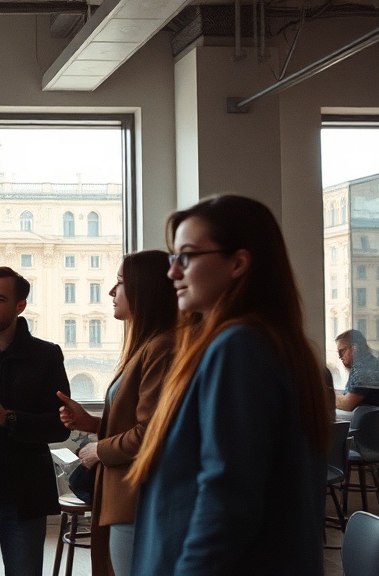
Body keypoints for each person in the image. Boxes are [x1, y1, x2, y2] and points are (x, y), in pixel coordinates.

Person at [127, 194, 332, 575]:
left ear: (238, 262)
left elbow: (227, 497)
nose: (172, 272)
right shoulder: (279, 343)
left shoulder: (238, 345)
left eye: (186, 256)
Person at [56, 251, 177, 576]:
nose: (111, 292)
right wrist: (92, 423)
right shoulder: (147, 347)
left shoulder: (161, 348)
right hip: (124, 498)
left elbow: (153, 432)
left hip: (136, 499)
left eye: (120, 283)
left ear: (145, 290)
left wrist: (99, 450)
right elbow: (137, 422)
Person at [0, 266, 70, 576]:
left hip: (25, 497)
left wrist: (7, 418)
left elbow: (60, 426)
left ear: (20, 306)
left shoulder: (46, 356)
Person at [334, 329, 379, 410]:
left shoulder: (362, 368)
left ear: (354, 348)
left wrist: (328, 396)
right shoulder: (372, 363)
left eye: (342, 351)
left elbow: (347, 404)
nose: (339, 356)